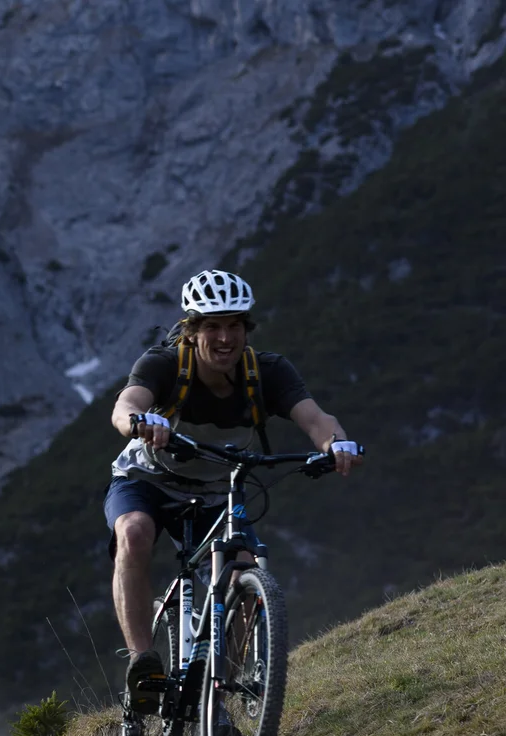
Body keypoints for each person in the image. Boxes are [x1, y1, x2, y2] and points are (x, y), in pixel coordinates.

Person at [106, 269, 361, 709]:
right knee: (132, 533)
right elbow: (125, 406)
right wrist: (140, 422)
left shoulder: (268, 372)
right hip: (146, 481)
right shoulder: (164, 364)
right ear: (191, 331)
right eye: (212, 327)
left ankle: (218, 693)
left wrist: (335, 444)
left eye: (235, 326)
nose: (225, 338)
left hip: (213, 490)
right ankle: (142, 662)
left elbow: (317, 419)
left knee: (244, 571)